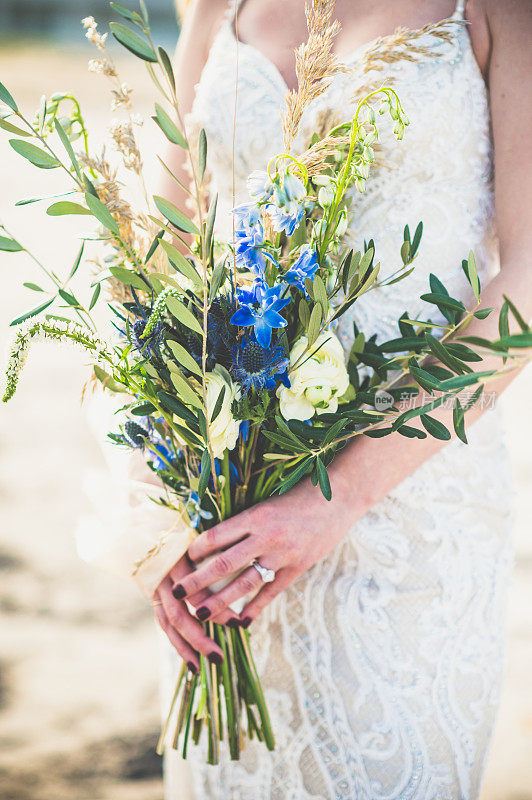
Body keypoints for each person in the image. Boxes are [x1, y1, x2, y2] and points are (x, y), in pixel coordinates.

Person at [85, 1, 532, 797]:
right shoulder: (220, 4)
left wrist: (339, 498)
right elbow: (152, 257)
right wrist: (155, 500)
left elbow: (526, 286)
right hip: (223, 510)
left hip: (408, 521)